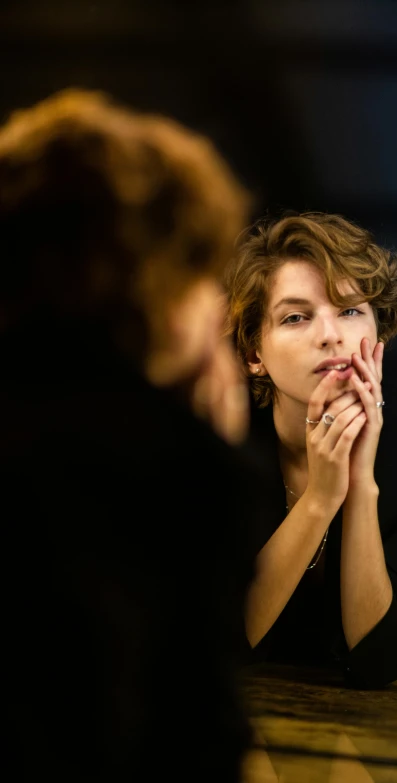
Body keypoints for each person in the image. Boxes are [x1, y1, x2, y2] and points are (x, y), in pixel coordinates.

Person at [1, 89, 257, 780]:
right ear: (161, 283)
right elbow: (190, 739)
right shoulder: (160, 468)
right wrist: (208, 451)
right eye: (206, 270)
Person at [225, 212, 397, 688]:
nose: (331, 335)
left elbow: (381, 660)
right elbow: (224, 642)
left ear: (378, 333)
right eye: (296, 317)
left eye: (351, 310)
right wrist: (320, 497)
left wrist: (359, 485)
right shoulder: (221, 438)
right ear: (254, 353)